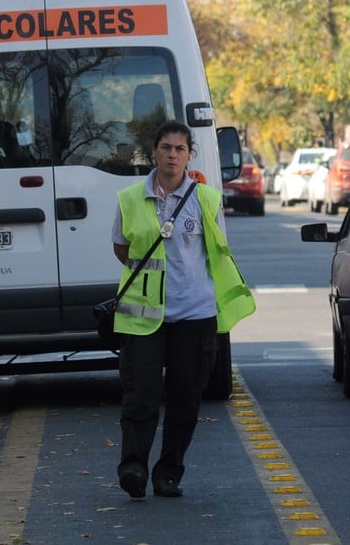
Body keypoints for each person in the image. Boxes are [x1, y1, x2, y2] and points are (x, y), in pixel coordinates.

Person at [109, 120, 255, 499]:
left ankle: (168, 473)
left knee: (185, 399)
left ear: (189, 155)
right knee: (140, 394)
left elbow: (216, 252)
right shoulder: (129, 198)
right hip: (144, 318)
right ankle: (133, 467)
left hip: (195, 315)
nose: (171, 155)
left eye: (179, 149)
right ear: (154, 152)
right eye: (165, 147)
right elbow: (122, 249)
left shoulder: (206, 199)